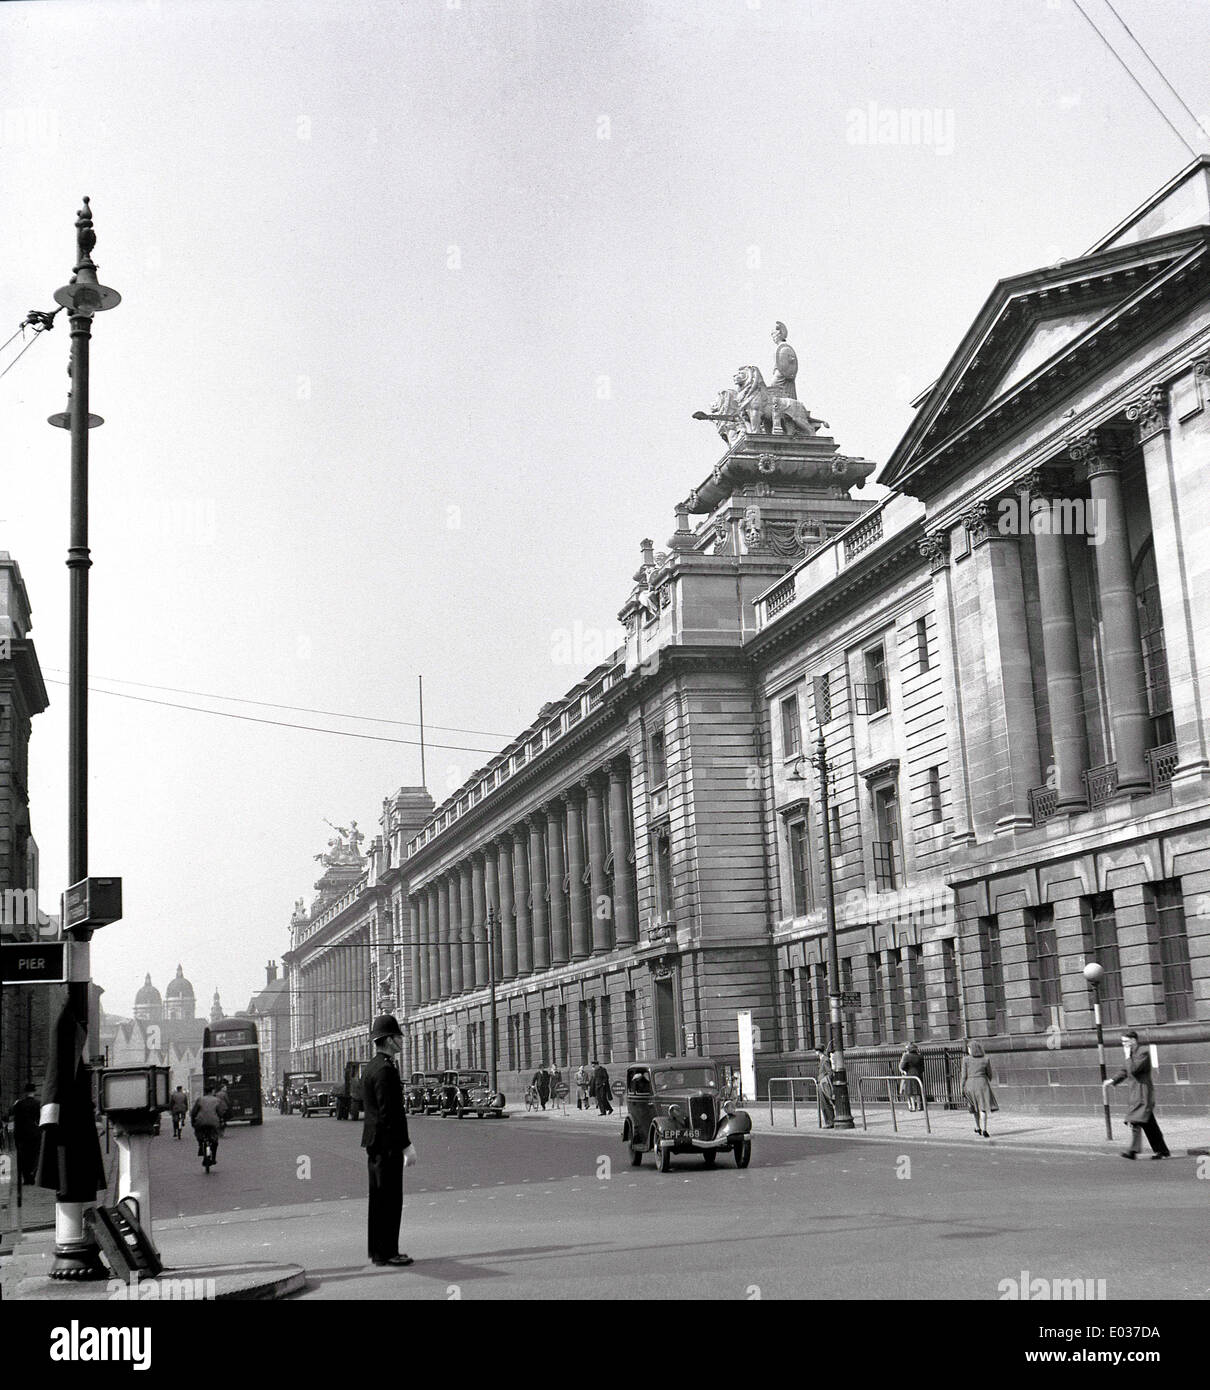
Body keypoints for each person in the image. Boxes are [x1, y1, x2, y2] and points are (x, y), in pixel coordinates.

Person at [361, 1014, 417, 1267]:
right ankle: (389, 1251)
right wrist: (405, 1144)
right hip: (387, 1144)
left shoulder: (372, 1067)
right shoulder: (385, 1070)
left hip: (374, 1143)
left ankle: (378, 1252)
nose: (401, 1040)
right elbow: (390, 1113)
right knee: (391, 1199)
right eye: (398, 1036)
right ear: (388, 1040)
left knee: (378, 1199)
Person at [1105, 1030, 1170, 1160]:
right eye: (1122, 1042)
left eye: (1125, 1041)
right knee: (1148, 1124)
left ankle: (1134, 1151)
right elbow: (1125, 1071)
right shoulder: (1132, 1054)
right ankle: (1161, 1151)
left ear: (1133, 1040)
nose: (1123, 1044)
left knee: (1136, 1120)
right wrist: (1113, 1080)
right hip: (1135, 1093)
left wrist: (1128, 1056)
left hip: (1143, 1094)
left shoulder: (1143, 1053)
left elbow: (1133, 1070)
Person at [960, 1040, 995, 1137]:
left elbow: (963, 1076)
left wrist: (962, 1087)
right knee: (982, 1107)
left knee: (974, 1107)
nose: (968, 1050)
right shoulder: (985, 1059)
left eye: (969, 1048)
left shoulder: (965, 1060)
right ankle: (984, 1129)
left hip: (970, 1084)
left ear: (971, 1049)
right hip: (982, 1084)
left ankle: (977, 1127)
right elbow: (990, 1075)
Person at [7, 1083, 40, 1183]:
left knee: (23, 1156)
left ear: (25, 1092)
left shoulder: (19, 1103)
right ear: (34, 1092)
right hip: (34, 1133)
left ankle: (26, 1177)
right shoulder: (38, 1103)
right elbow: (39, 1118)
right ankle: (32, 1175)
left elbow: (8, 1115)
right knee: (34, 1155)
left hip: (21, 1134)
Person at [190, 1086, 223, 1163]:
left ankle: (201, 1145)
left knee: (199, 1133)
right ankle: (213, 1158)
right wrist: (220, 1120)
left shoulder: (200, 1099)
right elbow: (220, 1113)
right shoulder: (217, 1100)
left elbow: (194, 1112)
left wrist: (193, 1122)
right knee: (215, 1140)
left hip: (200, 1122)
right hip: (213, 1122)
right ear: (212, 1091)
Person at [898, 1042, 925, 1113]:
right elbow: (922, 1068)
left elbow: (902, 1067)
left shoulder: (907, 1056)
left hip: (909, 1074)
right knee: (918, 1091)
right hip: (918, 1074)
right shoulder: (920, 1056)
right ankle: (919, 1106)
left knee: (911, 1092)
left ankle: (913, 1107)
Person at [816, 1047, 835, 1128]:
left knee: (826, 1103)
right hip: (821, 1083)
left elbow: (830, 1072)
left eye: (817, 1050)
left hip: (824, 1084)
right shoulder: (822, 1059)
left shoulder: (825, 1060)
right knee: (823, 1104)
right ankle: (828, 1121)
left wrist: (825, 1081)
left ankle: (830, 1121)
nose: (816, 1052)